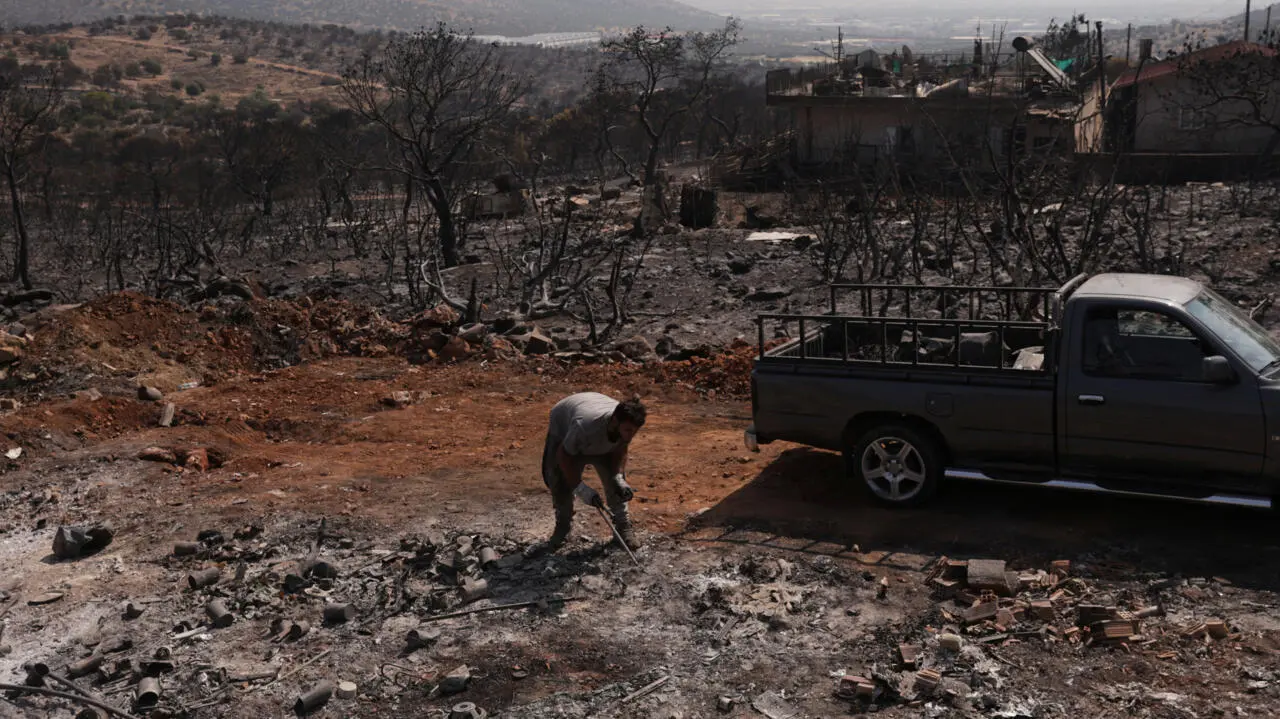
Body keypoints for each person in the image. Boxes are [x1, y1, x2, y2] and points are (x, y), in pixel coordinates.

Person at [530, 392, 647, 555]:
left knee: (615, 485)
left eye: (634, 431)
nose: (630, 435)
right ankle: (562, 526)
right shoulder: (583, 427)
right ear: (615, 421)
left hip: (594, 419)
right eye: (628, 430)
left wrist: (618, 477)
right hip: (565, 426)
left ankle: (623, 526)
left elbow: (620, 448)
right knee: (560, 480)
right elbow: (564, 456)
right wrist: (580, 488)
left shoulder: (627, 424)